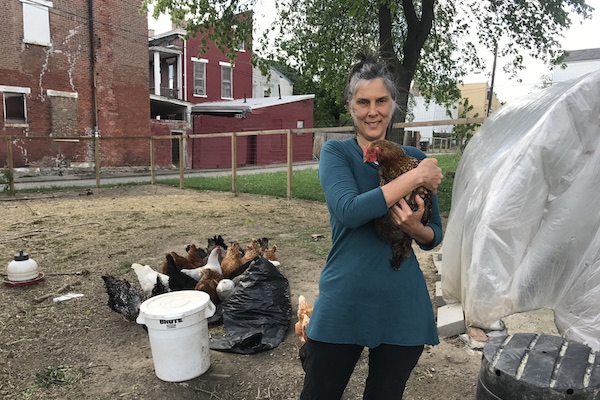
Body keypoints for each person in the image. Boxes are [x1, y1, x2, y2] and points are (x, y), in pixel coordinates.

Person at [300, 48, 444, 400]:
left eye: (381, 100)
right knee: (319, 393)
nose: (373, 111)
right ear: (351, 105)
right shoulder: (338, 154)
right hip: (345, 297)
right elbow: (349, 210)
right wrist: (415, 178)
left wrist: (414, 228)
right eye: (363, 102)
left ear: (393, 104)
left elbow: (434, 235)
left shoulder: (419, 159)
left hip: (402, 302)